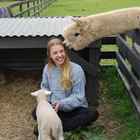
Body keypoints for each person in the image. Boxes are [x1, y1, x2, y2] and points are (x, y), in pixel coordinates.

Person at [32, 38, 99, 135]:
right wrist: (47, 104)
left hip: (75, 109)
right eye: (55, 53)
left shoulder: (76, 70)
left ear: (65, 51)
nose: (59, 55)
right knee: (35, 112)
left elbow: (78, 96)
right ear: (49, 55)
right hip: (56, 109)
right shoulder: (47, 68)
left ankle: (57, 128)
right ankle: (72, 126)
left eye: (61, 51)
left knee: (93, 113)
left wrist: (62, 103)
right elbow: (45, 89)